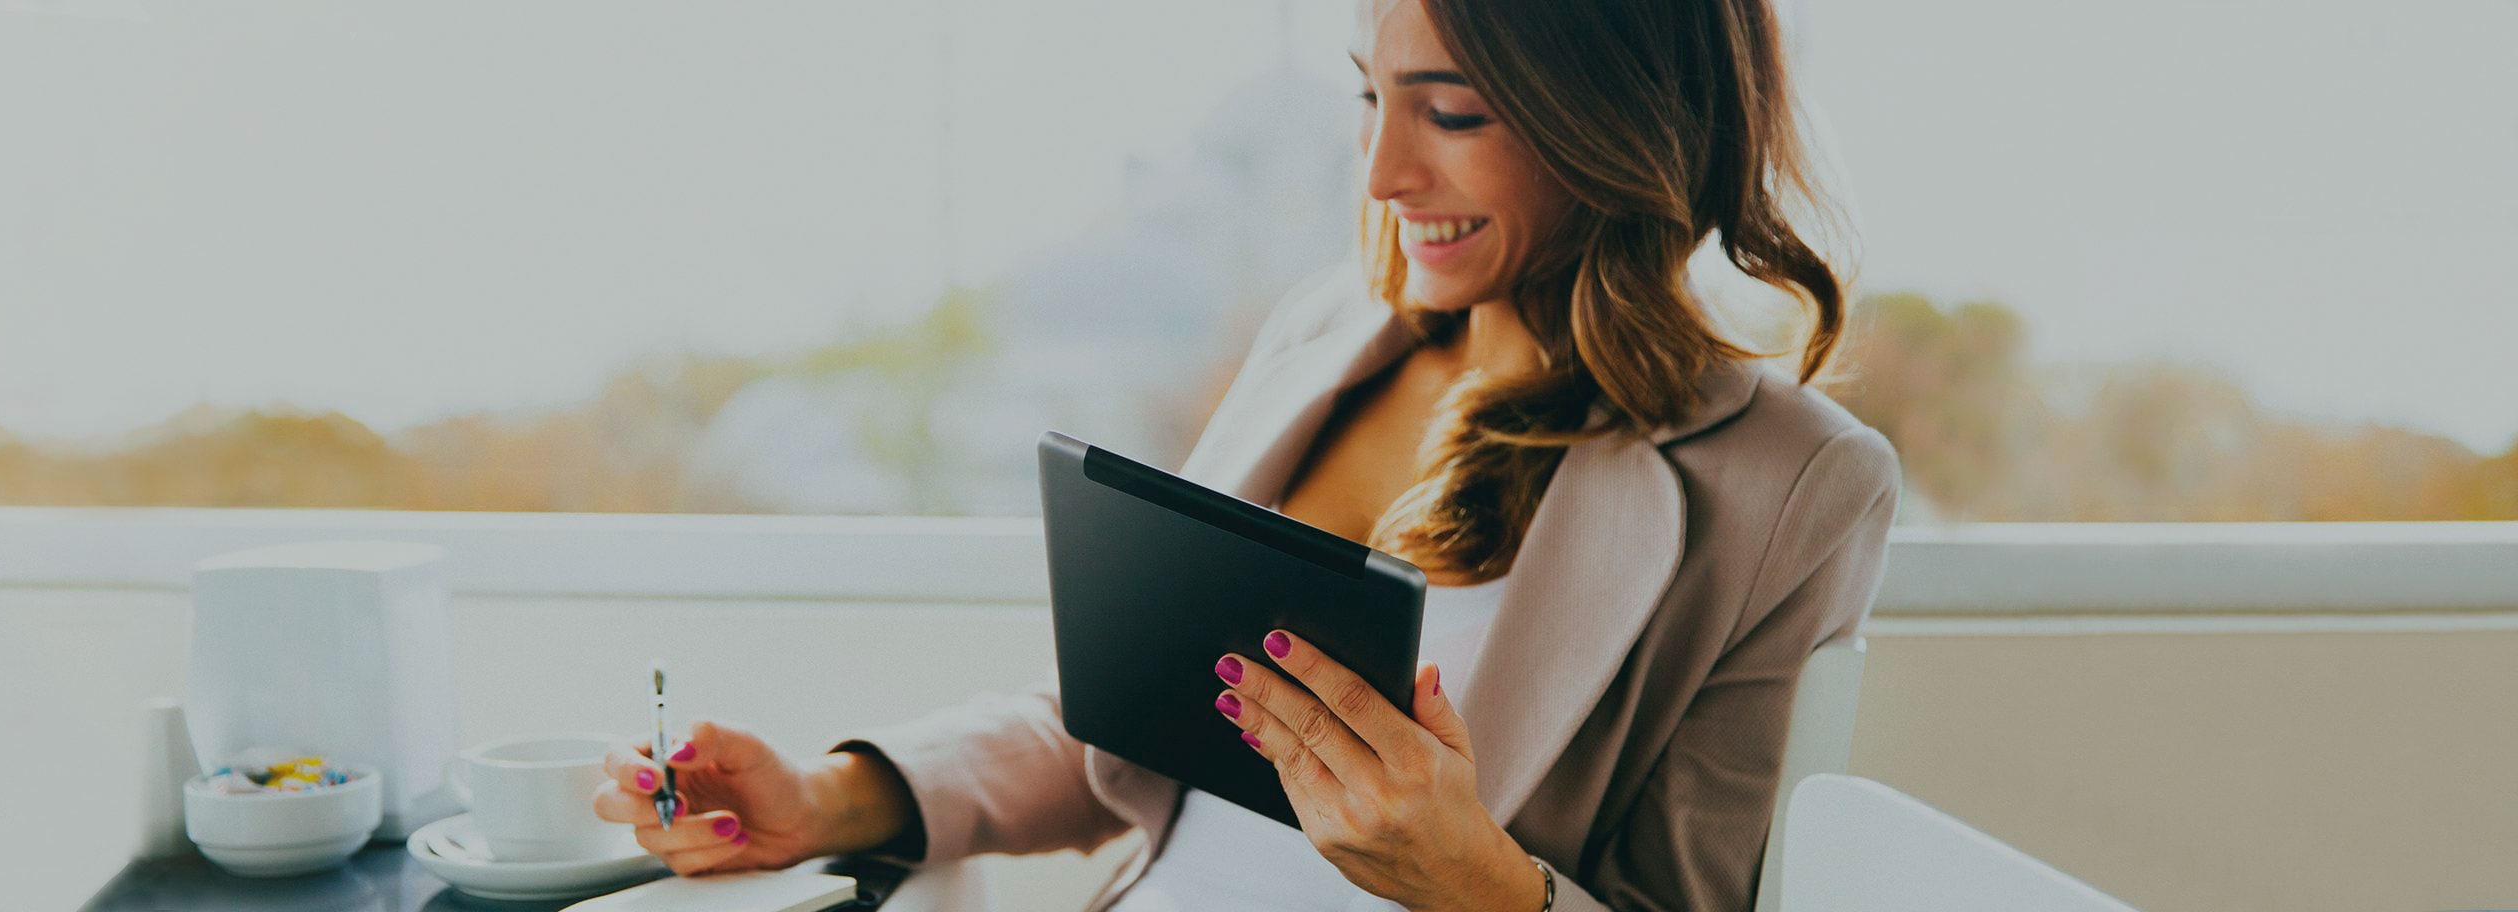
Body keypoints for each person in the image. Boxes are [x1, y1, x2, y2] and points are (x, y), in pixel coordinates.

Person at [591, 0, 1898, 907]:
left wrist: (1473, 887)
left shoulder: (1788, 487)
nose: (1383, 173)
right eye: (1371, 99)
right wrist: (829, 797)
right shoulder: (1327, 339)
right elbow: (1137, 718)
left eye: (1450, 114)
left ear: (1618, 121)